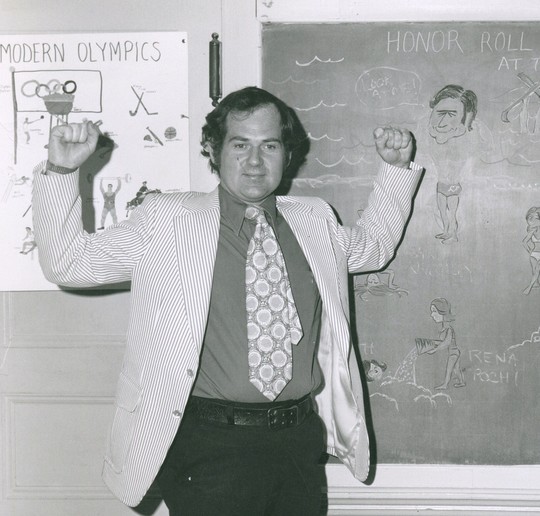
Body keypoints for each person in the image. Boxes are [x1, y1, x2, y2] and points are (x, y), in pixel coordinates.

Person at [32, 86, 423, 515]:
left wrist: (395, 169)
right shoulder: (167, 220)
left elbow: (373, 248)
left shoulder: (314, 220)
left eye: (269, 145)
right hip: (208, 445)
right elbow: (70, 263)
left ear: (287, 154)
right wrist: (61, 171)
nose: (255, 161)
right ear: (214, 150)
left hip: (297, 441)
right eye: (240, 145)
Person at [428, 84, 477, 244]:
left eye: (451, 114)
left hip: (452, 185)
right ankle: (445, 231)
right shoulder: (436, 137)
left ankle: (453, 234)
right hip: (441, 185)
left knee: (452, 213)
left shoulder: (461, 137)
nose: (443, 121)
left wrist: (466, 124)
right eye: (440, 113)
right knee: (442, 211)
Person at [426, 298, 466, 390]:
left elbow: (446, 343)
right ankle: (461, 382)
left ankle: (445, 384)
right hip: (455, 352)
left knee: (449, 369)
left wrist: (435, 349)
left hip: (453, 353)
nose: (432, 315)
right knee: (456, 369)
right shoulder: (445, 328)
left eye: (434, 311)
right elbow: (442, 342)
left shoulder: (449, 329)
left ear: (442, 312)